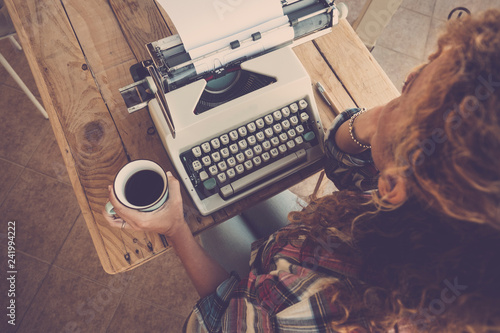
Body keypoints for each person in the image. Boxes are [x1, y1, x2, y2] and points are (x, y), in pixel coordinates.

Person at [103, 9, 500, 332]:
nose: (407, 78)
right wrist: (384, 124)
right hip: (305, 240)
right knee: (252, 199)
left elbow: (219, 320)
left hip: (259, 295)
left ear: (394, 185)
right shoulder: (438, 223)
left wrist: (175, 229)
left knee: (213, 223)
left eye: (411, 91)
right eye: (428, 64)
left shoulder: (308, 311)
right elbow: (344, 165)